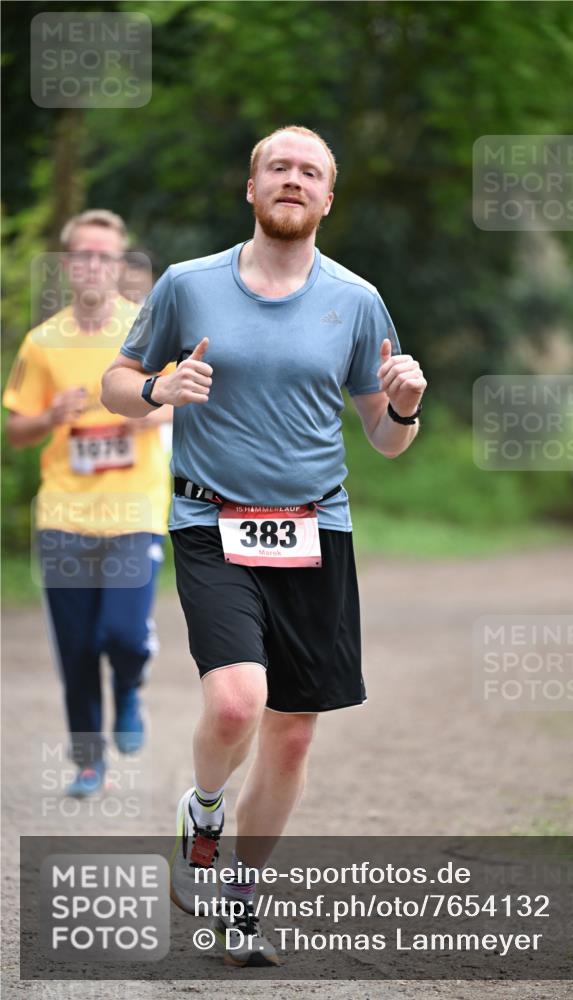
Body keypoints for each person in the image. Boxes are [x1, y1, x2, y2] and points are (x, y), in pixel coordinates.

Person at [101, 126, 426, 965]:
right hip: (212, 521)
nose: (292, 180)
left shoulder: (356, 300)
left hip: (317, 526)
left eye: (309, 172)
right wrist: (156, 387)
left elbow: (384, 441)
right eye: (276, 167)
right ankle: (203, 810)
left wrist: (404, 403)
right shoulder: (187, 285)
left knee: (291, 731)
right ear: (251, 188)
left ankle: (238, 896)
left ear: (327, 197)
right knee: (240, 701)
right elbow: (114, 383)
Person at [4, 210, 173, 797]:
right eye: (82, 255)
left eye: (104, 255)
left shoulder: (148, 329)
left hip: (133, 511)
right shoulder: (43, 341)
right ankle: (86, 760)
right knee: (75, 649)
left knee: (122, 635)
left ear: (119, 264)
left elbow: (181, 400)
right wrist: (50, 417)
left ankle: (129, 687)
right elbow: (16, 429)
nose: (93, 265)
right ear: (67, 264)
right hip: (64, 516)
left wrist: (144, 415)